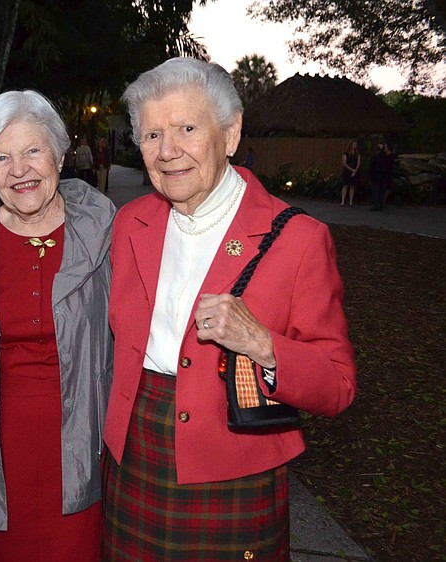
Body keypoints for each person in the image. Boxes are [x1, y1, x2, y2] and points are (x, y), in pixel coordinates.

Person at [102, 57, 356, 561]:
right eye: (152, 135)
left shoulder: (299, 240)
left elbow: (339, 384)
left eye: (187, 129)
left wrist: (263, 344)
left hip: (234, 465)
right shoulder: (131, 222)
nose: (167, 151)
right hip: (136, 450)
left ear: (231, 132)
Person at [0, 90, 116, 561]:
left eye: (33, 151)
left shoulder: (106, 231)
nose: (20, 170)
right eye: (3, 156)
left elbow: (129, 344)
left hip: (84, 442)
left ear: (58, 153)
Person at [369, 142, 389, 211]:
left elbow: (371, 169)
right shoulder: (386, 158)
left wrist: (370, 177)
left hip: (376, 176)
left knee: (375, 191)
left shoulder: (374, 158)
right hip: (384, 177)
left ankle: (376, 205)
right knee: (382, 191)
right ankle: (381, 205)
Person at [340, 140, 360, 206]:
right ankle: (342, 201)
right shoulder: (346, 154)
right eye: (354, 144)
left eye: (356, 144)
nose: (355, 146)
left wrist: (355, 170)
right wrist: (351, 170)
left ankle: (350, 201)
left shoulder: (357, 155)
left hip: (354, 171)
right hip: (347, 171)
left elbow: (358, 163)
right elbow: (344, 163)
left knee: (352, 186)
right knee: (345, 186)